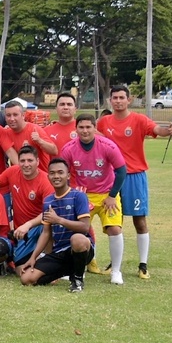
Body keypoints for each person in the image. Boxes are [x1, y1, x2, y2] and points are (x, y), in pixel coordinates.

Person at [97, 85, 172, 280]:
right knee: (115, 222)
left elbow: (155, 129)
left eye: (121, 97)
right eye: (114, 97)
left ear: (129, 100)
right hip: (112, 177)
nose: (118, 101)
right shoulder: (104, 122)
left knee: (139, 220)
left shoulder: (138, 119)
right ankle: (115, 264)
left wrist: (167, 131)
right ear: (110, 100)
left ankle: (143, 264)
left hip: (134, 175)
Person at [59, 114, 127, 284]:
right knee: (76, 230)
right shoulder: (68, 149)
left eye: (88, 127)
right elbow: (62, 172)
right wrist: (73, 190)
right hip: (83, 195)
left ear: (95, 128)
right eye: (81, 127)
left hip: (106, 195)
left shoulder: (107, 146)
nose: (85, 131)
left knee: (114, 229)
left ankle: (116, 271)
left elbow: (121, 171)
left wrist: (112, 195)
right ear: (76, 129)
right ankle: (75, 268)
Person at [18, 158, 94, 293]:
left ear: (68, 175)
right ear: (48, 176)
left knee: (77, 239)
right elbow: (46, 233)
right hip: (59, 252)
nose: (56, 176)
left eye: (60, 172)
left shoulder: (79, 196)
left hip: (80, 248)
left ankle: (77, 279)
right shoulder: (48, 201)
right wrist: (33, 257)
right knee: (27, 279)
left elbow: (84, 227)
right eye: (52, 173)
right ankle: (66, 271)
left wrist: (59, 220)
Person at [0, 145, 54, 275]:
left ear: (38, 162)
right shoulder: (12, 172)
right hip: (21, 232)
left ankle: (50, 261)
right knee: (20, 271)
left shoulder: (45, 181)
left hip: (39, 226)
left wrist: (28, 224)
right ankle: (35, 259)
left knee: (50, 226)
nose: (26, 164)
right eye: (22, 161)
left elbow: (48, 213)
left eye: (30, 160)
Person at [1, 100, 58, 172]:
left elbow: (54, 151)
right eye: (8, 115)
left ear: (23, 115)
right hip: (22, 177)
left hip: (41, 176)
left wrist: (39, 141)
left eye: (15, 115)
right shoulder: (6, 133)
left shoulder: (35, 129)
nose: (12, 119)